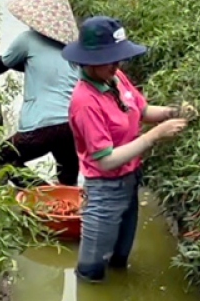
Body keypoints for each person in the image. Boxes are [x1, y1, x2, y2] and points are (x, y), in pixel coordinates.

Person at [62, 16, 192, 282]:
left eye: (118, 58)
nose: (117, 64)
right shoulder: (85, 102)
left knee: (120, 259)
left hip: (130, 183)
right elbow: (106, 161)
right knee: (91, 272)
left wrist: (173, 112)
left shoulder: (115, 77)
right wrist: (155, 135)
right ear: (90, 61)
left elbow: (142, 110)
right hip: (105, 191)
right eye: (111, 59)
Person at [0, 0, 82, 186]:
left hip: (42, 125)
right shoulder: (73, 50)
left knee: (1, 159)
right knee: (68, 178)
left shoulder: (28, 39)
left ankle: (42, 194)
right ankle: (65, 209)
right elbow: (37, 68)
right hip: (73, 126)